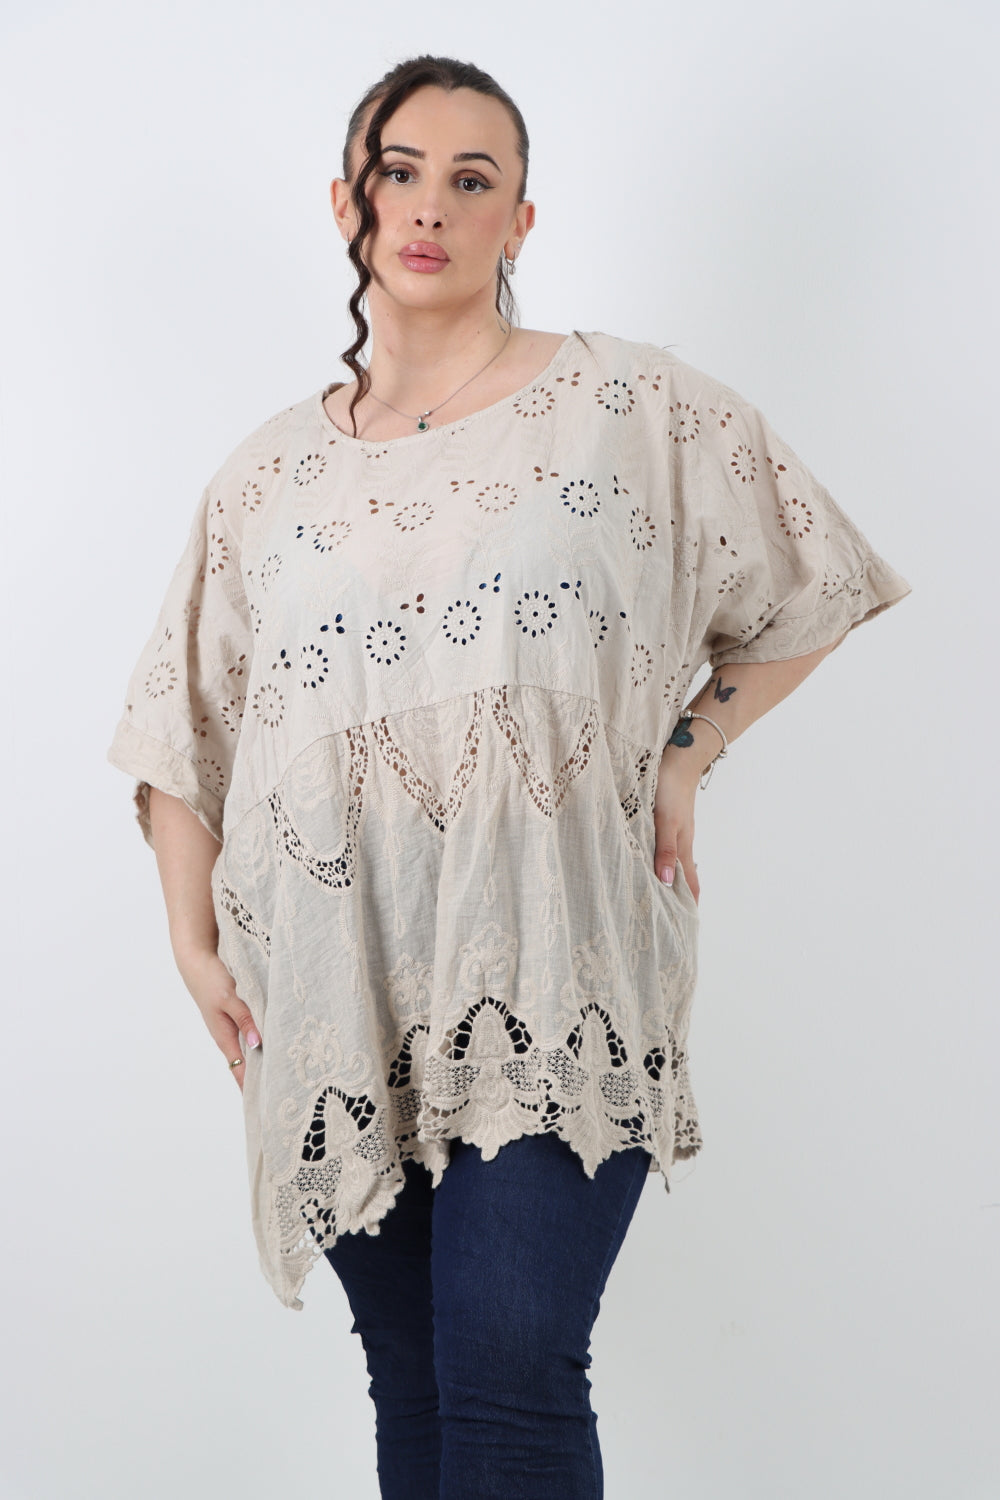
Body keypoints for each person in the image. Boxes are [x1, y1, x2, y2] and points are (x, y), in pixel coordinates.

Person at [106, 53, 912, 1500]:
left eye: (471, 180)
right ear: (347, 203)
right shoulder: (264, 479)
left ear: (521, 219)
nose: (431, 206)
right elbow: (182, 726)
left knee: (513, 1367)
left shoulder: (628, 408)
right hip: (336, 990)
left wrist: (691, 748)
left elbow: (815, 582)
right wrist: (189, 937)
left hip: (554, 965)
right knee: (416, 1385)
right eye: (400, 172)